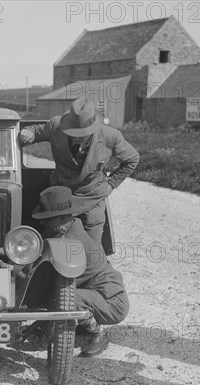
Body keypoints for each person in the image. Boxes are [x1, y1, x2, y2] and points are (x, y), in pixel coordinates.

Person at [19, 96, 140, 247]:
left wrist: (110, 185)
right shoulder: (55, 126)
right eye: (72, 132)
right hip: (61, 199)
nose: (76, 138)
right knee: (54, 246)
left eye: (82, 134)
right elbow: (35, 131)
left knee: (91, 249)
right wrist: (28, 133)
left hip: (92, 196)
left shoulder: (110, 136)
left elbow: (132, 159)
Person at [32, 185, 130, 357]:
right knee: (62, 297)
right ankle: (78, 330)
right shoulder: (67, 229)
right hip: (98, 294)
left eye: (48, 218)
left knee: (66, 298)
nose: (43, 222)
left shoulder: (71, 239)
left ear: (64, 217)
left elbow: (50, 278)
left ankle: (96, 335)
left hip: (112, 301)